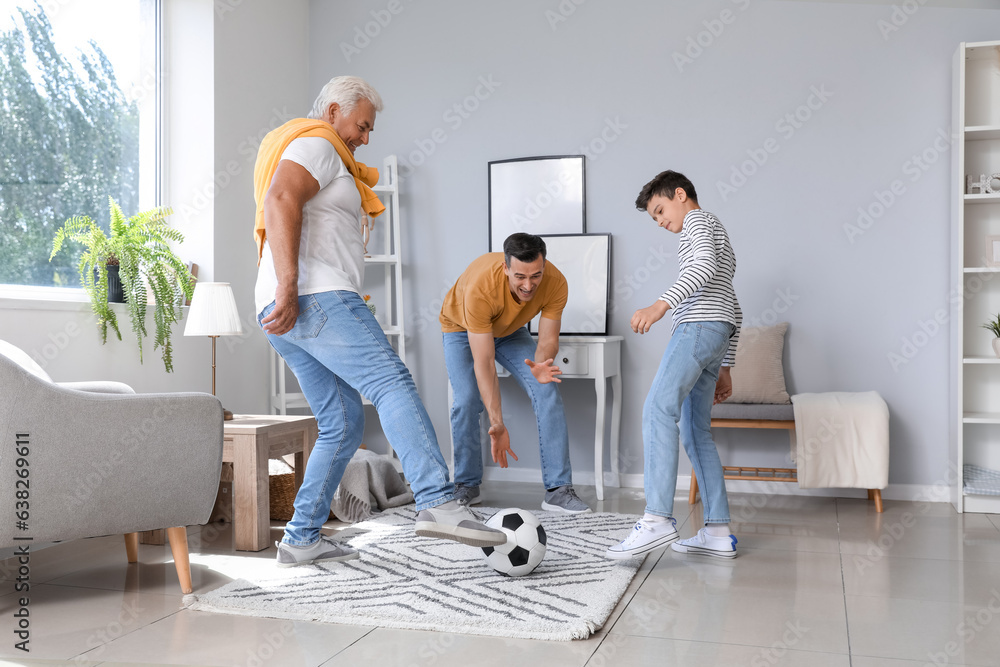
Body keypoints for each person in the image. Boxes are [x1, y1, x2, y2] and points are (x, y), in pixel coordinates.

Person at [253, 75, 505, 567]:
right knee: (392, 383)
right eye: (361, 125)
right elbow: (280, 199)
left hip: (286, 307)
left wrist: (283, 292)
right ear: (332, 112)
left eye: (370, 130)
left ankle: (301, 537)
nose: (365, 137)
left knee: (342, 424)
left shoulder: (325, 153)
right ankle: (438, 502)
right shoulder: (318, 144)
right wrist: (289, 287)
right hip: (315, 296)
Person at [606, 170, 742, 560]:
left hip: (698, 328)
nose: (661, 221)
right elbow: (733, 305)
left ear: (681, 194)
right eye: (654, 218)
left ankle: (656, 520)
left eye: (661, 209)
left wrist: (660, 305)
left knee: (656, 410)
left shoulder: (698, 221)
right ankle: (717, 531)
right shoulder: (718, 232)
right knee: (697, 432)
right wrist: (726, 365)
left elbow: (701, 271)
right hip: (717, 332)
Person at [440, 233, 591, 514]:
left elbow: (547, 339)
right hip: (461, 329)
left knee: (547, 389)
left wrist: (541, 364)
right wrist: (497, 422)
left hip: (510, 332)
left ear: (544, 266)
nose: (529, 284)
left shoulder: (556, 282)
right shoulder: (481, 287)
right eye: (520, 276)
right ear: (505, 267)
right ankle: (466, 485)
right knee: (466, 399)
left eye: (536, 275)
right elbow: (484, 361)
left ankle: (558, 490)